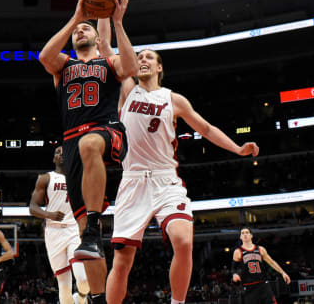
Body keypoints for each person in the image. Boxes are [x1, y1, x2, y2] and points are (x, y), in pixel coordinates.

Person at [99, 43, 260, 303]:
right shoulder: (127, 89)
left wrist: (237, 148)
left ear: (159, 67)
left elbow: (206, 129)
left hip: (166, 180)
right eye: (139, 57)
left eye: (149, 57)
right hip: (133, 180)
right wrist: (114, 19)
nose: (142, 59)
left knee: (184, 242)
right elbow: (108, 51)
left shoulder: (173, 99)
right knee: (122, 259)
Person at [38, 0, 138, 303]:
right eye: (78, 31)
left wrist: (117, 23)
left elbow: (130, 65)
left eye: (86, 30)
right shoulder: (63, 66)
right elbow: (44, 56)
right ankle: (98, 297)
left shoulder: (107, 63)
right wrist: (76, 17)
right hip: (72, 143)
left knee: (89, 143)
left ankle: (94, 227)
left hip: (106, 132)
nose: (80, 32)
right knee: (85, 240)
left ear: (97, 39)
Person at [29, 146, 90, 304]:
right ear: (53, 158)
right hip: (53, 233)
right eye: (57, 152)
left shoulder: (79, 177)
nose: (61, 154)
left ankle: (81, 298)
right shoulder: (46, 178)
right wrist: (49, 215)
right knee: (64, 287)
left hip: (73, 230)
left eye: (64, 151)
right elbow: (33, 207)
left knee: (83, 279)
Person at [232, 227, 290, 304]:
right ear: (240, 237)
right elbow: (233, 268)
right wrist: (234, 274)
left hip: (263, 284)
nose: (245, 234)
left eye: (247, 232)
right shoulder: (238, 252)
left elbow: (272, 262)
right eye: (242, 233)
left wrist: (282, 272)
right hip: (249, 287)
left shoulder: (260, 249)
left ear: (251, 235)